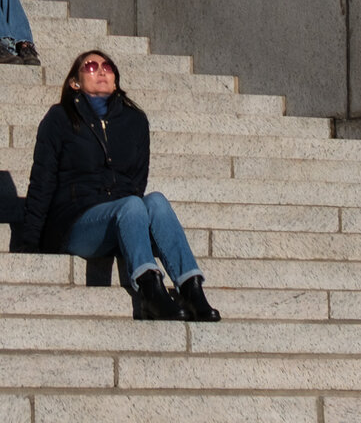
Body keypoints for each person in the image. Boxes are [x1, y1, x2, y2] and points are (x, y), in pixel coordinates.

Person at [17, 48, 221, 323]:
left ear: (115, 80)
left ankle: (191, 289)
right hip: (75, 223)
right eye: (90, 66)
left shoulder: (135, 121)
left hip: (124, 218)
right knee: (132, 204)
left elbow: (138, 180)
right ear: (74, 82)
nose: (101, 71)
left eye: (108, 67)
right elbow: (42, 180)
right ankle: (151, 291)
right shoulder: (60, 118)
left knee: (156, 201)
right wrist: (29, 243)